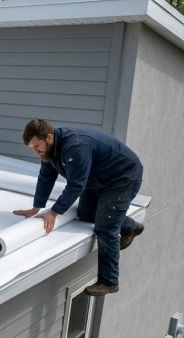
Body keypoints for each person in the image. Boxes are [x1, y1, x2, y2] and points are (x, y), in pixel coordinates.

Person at [14, 119, 144, 296]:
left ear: (49, 137)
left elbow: (76, 185)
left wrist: (54, 212)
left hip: (122, 177)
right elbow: (46, 176)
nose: (36, 151)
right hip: (98, 177)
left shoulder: (75, 146)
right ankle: (131, 226)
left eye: (37, 146)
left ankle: (109, 281)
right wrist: (37, 206)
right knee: (85, 214)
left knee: (105, 227)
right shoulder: (49, 152)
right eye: (32, 148)